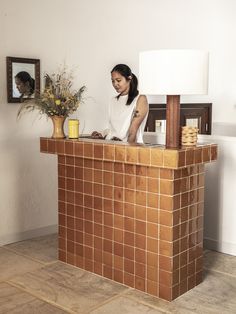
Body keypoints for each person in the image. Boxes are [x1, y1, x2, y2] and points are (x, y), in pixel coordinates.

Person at [92, 64, 149, 143]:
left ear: (129, 79)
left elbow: (133, 132)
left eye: (118, 80)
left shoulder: (140, 99)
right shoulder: (113, 100)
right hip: (110, 146)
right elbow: (113, 129)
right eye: (113, 81)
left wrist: (125, 150)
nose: (115, 84)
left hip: (128, 148)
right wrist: (102, 134)